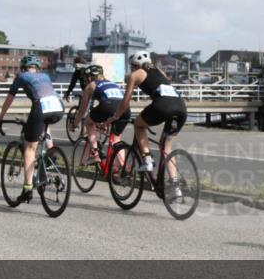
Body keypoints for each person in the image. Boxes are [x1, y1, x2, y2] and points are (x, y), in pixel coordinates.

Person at [105, 50, 187, 201]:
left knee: (139, 125)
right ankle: (175, 187)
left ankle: (147, 159)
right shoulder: (159, 71)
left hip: (163, 106)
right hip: (181, 108)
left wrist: (116, 116)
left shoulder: (135, 75)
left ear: (135, 65)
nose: (131, 69)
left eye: (131, 66)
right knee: (166, 148)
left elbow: (125, 101)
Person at [0, 55, 64, 202]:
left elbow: (9, 97)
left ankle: (27, 188)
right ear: (37, 68)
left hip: (40, 106)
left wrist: (1, 116)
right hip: (58, 106)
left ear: (23, 67)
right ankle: (51, 154)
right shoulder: (44, 75)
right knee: (44, 124)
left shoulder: (21, 75)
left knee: (29, 149)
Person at [72, 64, 130, 162]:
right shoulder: (112, 84)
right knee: (116, 139)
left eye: (86, 79)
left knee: (89, 122)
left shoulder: (92, 85)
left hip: (108, 106)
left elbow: (82, 110)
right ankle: (124, 168)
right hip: (125, 109)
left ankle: (95, 154)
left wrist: (74, 124)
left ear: (89, 77)